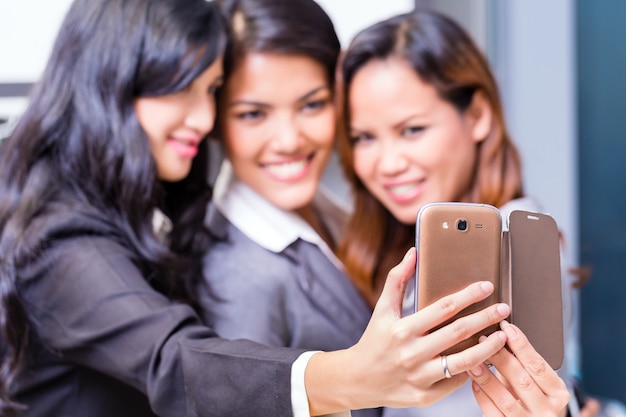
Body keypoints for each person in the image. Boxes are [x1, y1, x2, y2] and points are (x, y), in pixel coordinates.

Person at [0, 1, 515, 416]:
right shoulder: (58, 236)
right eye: (181, 91)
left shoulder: (324, 214)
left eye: (210, 93)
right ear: (110, 83)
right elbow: (171, 360)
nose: (201, 120)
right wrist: (350, 376)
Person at [336, 10, 579, 417]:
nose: (387, 163)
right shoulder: (402, 240)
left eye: (412, 130)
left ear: (478, 115)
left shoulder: (514, 247)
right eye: (363, 138)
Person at [196, 3, 384, 414]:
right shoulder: (237, 278)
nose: (288, 140)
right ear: (213, 119)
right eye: (252, 114)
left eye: (312, 105)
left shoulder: (331, 213)